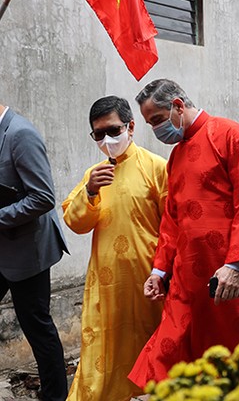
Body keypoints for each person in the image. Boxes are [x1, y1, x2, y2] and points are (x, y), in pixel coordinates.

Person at [128, 79, 239, 387]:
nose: (156, 130)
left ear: (178, 106)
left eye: (157, 120)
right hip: (186, 277)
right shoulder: (177, 156)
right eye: (149, 123)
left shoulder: (230, 135)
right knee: (169, 356)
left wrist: (237, 265)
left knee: (237, 359)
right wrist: (159, 270)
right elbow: (172, 219)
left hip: (227, 274)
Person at [63, 96, 167, 401]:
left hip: (148, 283)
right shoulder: (93, 174)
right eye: (98, 134)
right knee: (103, 356)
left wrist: (166, 271)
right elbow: (76, 222)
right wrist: (90, 190)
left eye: (113, 130)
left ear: (131, 127)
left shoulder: (156, 168)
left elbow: (174, 226)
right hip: (107, 286)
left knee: (154, 355)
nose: (107, 139)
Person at [0, 104, 68, 401]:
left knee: (36, 325)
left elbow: (42, 197)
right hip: (3, 242)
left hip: (28, 248)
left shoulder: (20, 134)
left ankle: (55, 396)